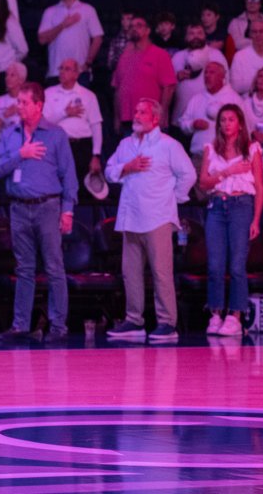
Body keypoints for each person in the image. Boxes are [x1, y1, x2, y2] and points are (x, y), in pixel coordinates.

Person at [0, 82, 78, 342]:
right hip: (18, 207)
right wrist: (21, 154)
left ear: (38, 105)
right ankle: (20, 325)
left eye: (24, 102)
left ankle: (58, 327)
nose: (19, 106)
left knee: (54, 266)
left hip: (48, 207)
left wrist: (68, 210)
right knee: (24, 268)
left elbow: (69, 175)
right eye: (18, 101)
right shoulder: (10, 133)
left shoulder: (55, 134)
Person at [104, 98, 195, 342]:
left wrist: (171, 199)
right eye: (135, 111)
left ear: (155, 118)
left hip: (157, 218)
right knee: (130, 272)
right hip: (130, 217)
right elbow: (109, 171)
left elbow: (189, 174)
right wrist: (127, 167)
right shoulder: (126, 144)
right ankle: (134, 320)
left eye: (142, 112)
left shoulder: (169, 145)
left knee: (161, 272)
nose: (137, 115)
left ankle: (167, 323)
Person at [199, 104, 263, 336]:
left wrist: (256, 219)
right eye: (223, 120)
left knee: (237, 265)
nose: (226, 123)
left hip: (241, 206)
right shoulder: (211, 148)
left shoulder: (252, 148)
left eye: (231, 119)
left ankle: (236, 315)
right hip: (216, 206)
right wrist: (228, 171)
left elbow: (259, 185)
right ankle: (215, 312)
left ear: (240, 124)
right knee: (215, 265)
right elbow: (203, 182)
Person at [112, 16, 176, 134]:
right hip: (128, 120)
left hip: (151, 120)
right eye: (131, 26)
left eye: (139, 26)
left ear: (148, 30)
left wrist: (161, 115)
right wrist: (117, 118)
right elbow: (117, 89)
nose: (134, 29)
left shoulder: (160, 54)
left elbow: (169, 87)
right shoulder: (123, 57)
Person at [43, 58, 104, 181]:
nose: (62, 72)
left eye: (67, 69)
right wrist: (65, 113)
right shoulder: (49, 93)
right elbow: (44, 123)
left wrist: (96, 155)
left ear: (76, 74)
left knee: (80, 189)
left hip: (81, 147)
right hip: (57, 147)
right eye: (61, 68)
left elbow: (96, 126)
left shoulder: (88, 96)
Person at [38, 0, 104, 88]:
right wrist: (63, 25)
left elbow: (98, 38)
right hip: (56, 71)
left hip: (79, 72)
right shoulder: (50, 11)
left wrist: (88, 62)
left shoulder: (87, 10)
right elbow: (42, 40)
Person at [0, 61, 26, 134]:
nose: (7, 78)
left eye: (12, 75)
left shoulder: (29, 99)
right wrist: (5, 115)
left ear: (21, 80)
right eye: (6, 75)